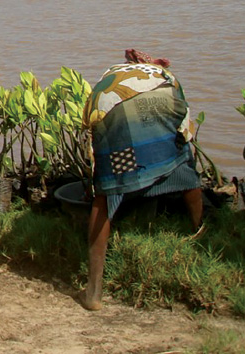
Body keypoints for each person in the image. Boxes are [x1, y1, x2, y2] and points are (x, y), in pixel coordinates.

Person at [77, 48, 203, 311]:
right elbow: (184, 126)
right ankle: (199, 232)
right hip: (163, 101)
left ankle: (94, 292)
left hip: (110, 105)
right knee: (184, 167)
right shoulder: (166, 76)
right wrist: (176, 146)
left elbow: (90, 122)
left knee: (106, 194)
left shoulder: (112, 73)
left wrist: (98, 178)